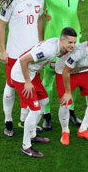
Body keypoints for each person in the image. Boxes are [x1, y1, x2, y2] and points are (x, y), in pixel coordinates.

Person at [7, 0, 85, 129]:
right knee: (48, 78)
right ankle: (47, 115)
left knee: (71, 75)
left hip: (74, 41)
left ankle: (71, 111)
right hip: (53, 41)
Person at [11, 27, 77, 158]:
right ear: (62, 40)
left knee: (44, 100)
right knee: (35, 110)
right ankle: (26, 146)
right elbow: (24, 61)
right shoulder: (48, 50)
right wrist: (27, 81)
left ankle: (32, 134)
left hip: (32, 73)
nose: (73, 45)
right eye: (70, 42)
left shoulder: (58, 46)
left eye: (74, 42)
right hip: (22, 76)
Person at [0, 0, 44, 137]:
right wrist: (2, 50)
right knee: (10, 86)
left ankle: (24, 119)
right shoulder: (11, 0)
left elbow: (39, 20)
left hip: (32, 54)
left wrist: (40, 41)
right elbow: (1, 25)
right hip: (14, 54)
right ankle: (8, 120)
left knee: (29, 86)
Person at [55, 32, 88, 144]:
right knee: (65, 102)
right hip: (65, 72)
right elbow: (66, 71)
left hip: (84, 71)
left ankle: (83, 130)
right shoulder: (78, 53)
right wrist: (68, 92)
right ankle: (65, 131)